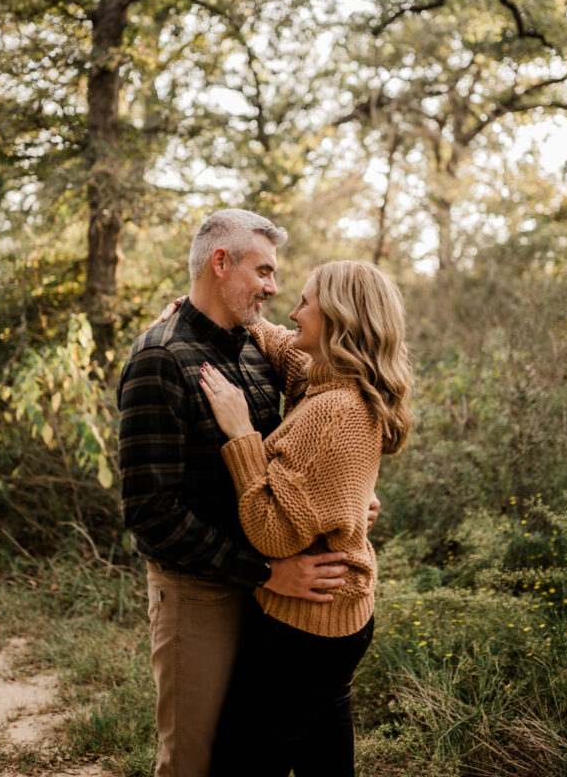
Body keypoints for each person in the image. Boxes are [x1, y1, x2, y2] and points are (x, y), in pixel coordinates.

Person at [117, 209, 365, 777]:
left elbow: (337, 409)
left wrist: (348, 497)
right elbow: (151, 514)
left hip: (271, 594)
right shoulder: (161, 358)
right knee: (195, 760)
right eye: (264, 271)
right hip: (199, 594)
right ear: (220, 262)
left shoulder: (256, 349)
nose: (273, 288)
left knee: (257, 752)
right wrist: (264, 570)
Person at [194, 260, 413, 777]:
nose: (291, 312)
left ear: (338, 318)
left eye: (306, 303)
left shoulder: (331, 411)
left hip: (303, 628)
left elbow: (270, 532)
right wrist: (216, 312)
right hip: (342, 615)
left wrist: (242, 433)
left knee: (241, 764)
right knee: (324, 761)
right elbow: (289, 354)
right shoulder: (341, 384)